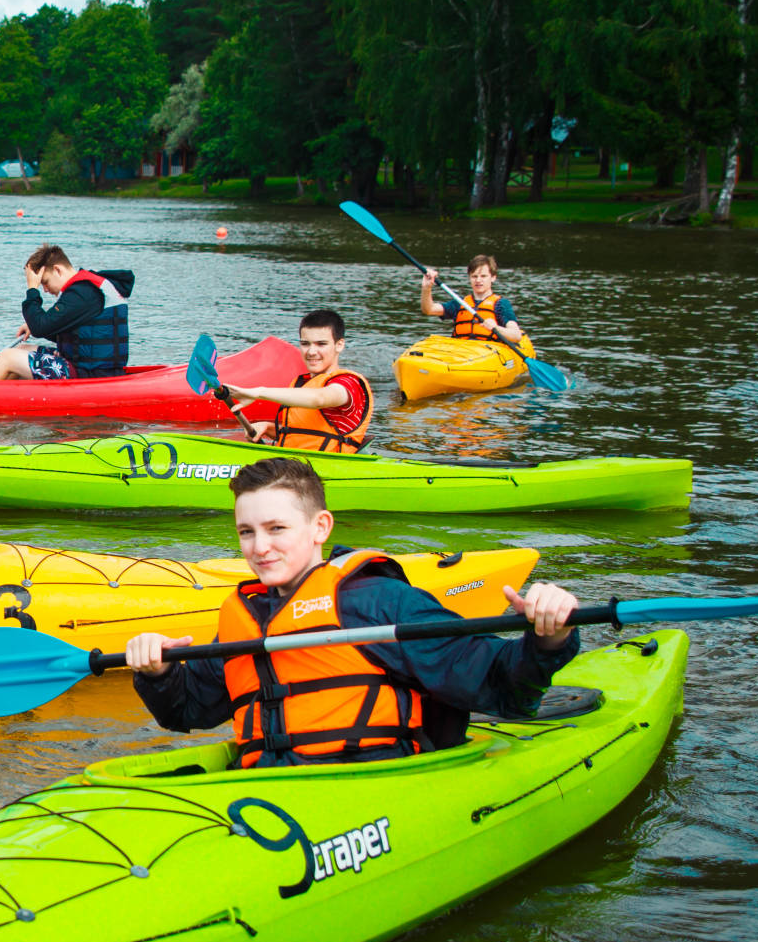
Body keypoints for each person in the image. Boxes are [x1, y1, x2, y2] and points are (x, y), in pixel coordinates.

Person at [123, 457, 579, 768]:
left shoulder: (375, 601)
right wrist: (160, 673)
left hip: (366, 789)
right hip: (266, 791)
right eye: (247, 532)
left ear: (320, 526)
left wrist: (549, 635)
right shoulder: (244, 613)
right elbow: (189, 712)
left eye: (277, 528)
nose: (259, 548)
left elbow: (501, 683)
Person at [0, 244, 133, 382]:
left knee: (8, 357)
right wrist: (33, 325)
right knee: (22, 348)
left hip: (87, 375)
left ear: (57, 270)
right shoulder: (86, 290)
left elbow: (41, 327)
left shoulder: (83, 293)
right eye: (41, 286)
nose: (46, 290)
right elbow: (70, 333)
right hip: (90, 368)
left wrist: (32, 290)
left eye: (45, 282)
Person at [220, 309, 373, 453]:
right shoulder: (300, 383)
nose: (312, 352)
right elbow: (302, 434)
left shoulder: (349, 383)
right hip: (293, 467)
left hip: (324, 470)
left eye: (321, 344)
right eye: (305, 344)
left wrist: (258, 392)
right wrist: (268, 428)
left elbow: (319, 399)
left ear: (339, 345)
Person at [422, 254, 529, 349]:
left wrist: (495, 327)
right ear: (470, 278)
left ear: (493, 278)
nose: (478, 280)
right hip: (460, 352)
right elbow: (429, 309)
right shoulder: (460, 303)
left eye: (483, 276)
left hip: (486, 354)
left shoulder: (501, 304)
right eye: (474, 276)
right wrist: (427, 288)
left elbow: (516, 335)